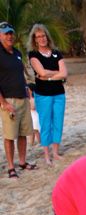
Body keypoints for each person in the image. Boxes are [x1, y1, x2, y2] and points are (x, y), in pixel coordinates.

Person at [0, 21, 36, 178]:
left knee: (23, 133)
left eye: (10, 33)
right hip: (9, 101)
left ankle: (22, 161)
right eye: (6, 33)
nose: (9, 36)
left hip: (23, 98)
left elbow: (20, 74)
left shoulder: (17, 53)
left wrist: (27, 89)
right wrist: (3, 103)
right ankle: (10, 166)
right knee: (10, 136)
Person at [28, 24, 67, 166]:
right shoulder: (33, 55)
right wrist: (56, 73)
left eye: (43, 35)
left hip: (59, 94)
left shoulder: (57, 53)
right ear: (35, 40)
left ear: (47, 36)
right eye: (38, 37)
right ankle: (46, 155)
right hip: (43, 94)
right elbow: (41, 72)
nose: (42, 39)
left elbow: (64, 73)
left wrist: (49, 76)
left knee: (58, 122)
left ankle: (55, 152)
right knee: (45, 124)